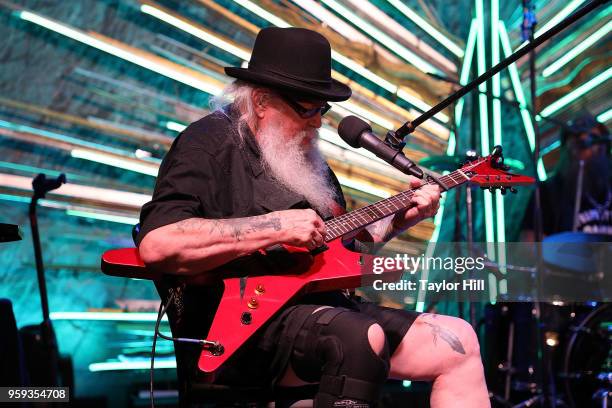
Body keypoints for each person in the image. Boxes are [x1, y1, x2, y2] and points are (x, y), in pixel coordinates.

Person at [137, 27, 490, 407]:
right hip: (238, 326)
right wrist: (274, 226)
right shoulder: (206, 144)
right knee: (358, 337)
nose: (317, 123)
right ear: (260, 101)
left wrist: (400, 218)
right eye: (307, 109)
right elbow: (160, 243)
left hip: (319, 310)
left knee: (459, 341)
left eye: (323, 110)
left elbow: (337, 246)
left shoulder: (306, 162)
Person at [522, 113, 611, 238]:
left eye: (593, 137)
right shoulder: (546, 192)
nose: (585, 141)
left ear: (604, 147)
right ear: (566, 147)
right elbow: (529, 247)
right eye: (577, 138)